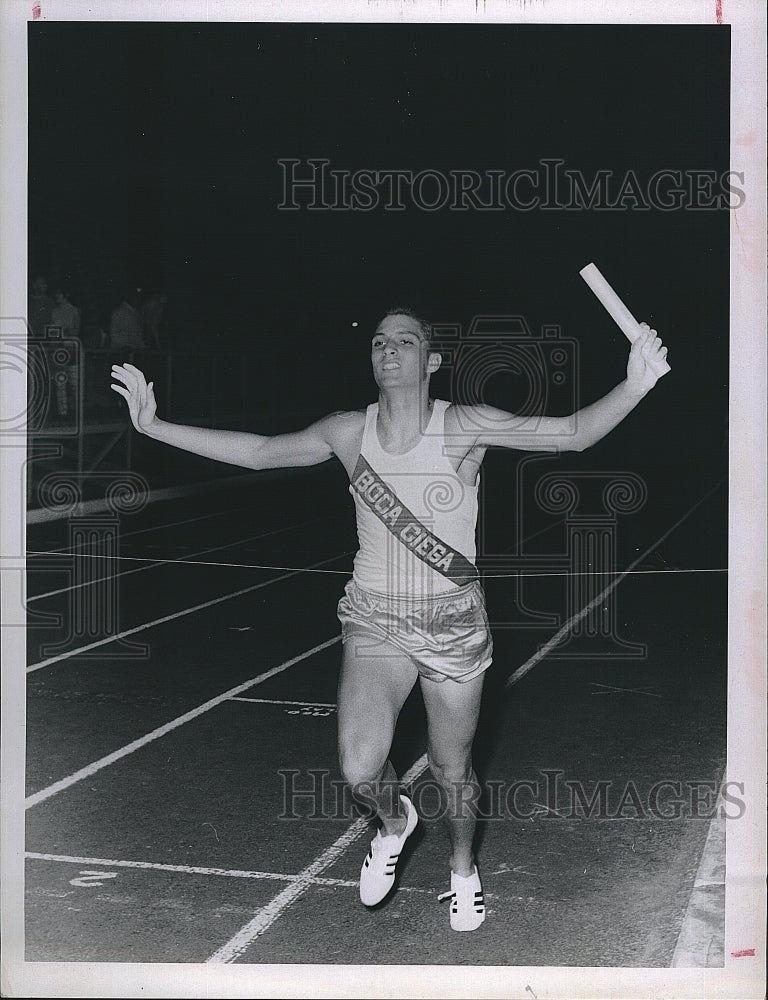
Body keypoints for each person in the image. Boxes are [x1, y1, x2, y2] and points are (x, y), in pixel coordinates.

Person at [110, 308, 668, 931]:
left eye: (405, 341)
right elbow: (263, 452)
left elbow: (571, 433)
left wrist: (635, 384)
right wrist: (154, 426)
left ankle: (462, 873)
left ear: (431, 360)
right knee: (357, 767)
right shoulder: (348, 432)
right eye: (379, 342)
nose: (388, 350)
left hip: (453, 622)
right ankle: (396, 822)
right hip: (376, 617)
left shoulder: (463, 424)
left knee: (453, 767)